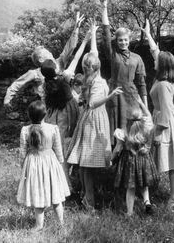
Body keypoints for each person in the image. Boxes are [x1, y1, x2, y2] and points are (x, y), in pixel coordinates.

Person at [67, 19, 123, 209]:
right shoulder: (97, 82)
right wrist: (110, 96)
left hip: (87, 119)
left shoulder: (90, 73)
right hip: (94, 119)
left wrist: (93, 34)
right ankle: (89, 199)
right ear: (96, 67)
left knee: (84, 162)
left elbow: (93, 55)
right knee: (88, 162)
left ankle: (85, 194)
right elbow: (92, 103)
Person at [141, 19, 174, 209]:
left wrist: (156, 134)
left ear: (161, 65)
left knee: (172, 159)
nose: (153, 60)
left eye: (156, 61)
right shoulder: (166, 77)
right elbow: (156, 52)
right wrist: (148, 35)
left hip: (167, 121)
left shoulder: (163, 84)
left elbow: (163, 113)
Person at [40, 29, 91, 191]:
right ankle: (66, 184)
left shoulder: (45, 84)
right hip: (69, 114)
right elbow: (76, 58)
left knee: (57, 149)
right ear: (55, 70)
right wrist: (84, 41)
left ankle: (61, 182)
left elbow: (45, 103)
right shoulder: (65, 76)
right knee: (70, 144)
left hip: (53, 117)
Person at [3, 12, 85, 110]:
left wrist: (76, 29)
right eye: (47, 52)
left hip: (64, 106)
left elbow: (69, 47)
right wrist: (7, 99)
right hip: (48, 109)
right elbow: (17, 84)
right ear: (41, 59)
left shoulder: (59, 63)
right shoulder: (34, 73)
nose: (50, 53)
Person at [99, 0, 148, 145]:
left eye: (125, 40)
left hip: (132, 96)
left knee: (133, 129)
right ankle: (116, 160)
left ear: (129, 40)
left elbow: (142, 83)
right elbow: (106, 35)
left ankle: (132, 156)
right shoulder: (113, 54)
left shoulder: (137, 58)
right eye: (120, 40)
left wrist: (146, 108)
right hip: (116, 95)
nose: (123, 42)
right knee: (115, 131)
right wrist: (104, 8)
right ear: (117, 41)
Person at [17, 100, 70, 230]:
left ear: (29, 115)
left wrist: (22, 165)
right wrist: (60, 163)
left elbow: (23, 151)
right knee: (56, 195)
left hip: (33, 163)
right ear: (45, 114)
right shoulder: (53, 128)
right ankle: (61, 224)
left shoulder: (25, 130)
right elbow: (58, 149)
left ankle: (39, 225)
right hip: (50, 162)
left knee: (37, 193)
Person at [113, 96, 159, 216]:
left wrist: (112, 158)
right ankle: (147, 202)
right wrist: (141, 103)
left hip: (129, 161)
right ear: (141, 118)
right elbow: (148, 115)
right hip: (144, 160)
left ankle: (129, 212)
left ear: (127, 119)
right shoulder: (147, 129)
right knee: (144, 184)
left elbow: (118, 149)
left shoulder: (123, 132)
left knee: (131, 187)